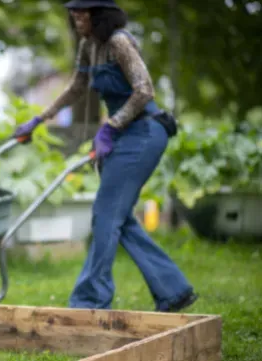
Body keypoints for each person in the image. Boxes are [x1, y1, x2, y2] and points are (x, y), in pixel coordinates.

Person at [13, 0, 198, 312]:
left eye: (81, 14)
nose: (75, 20)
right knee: (118, 217)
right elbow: (76, 88)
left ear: (99, 15)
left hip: (144, 132)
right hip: (123, 134)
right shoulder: (88, 45)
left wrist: (110, 127)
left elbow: (145, 91)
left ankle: (91, 300)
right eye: (73, 15)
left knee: (105, 214)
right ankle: (173, 290)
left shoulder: (120, 42)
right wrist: (39, 119)